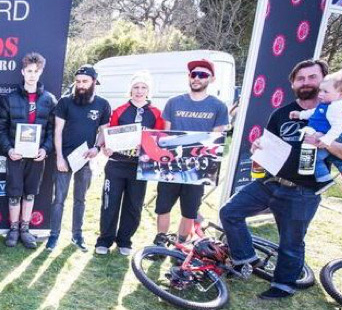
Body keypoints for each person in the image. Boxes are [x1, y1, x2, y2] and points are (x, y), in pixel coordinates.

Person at [220, 59, 342, 299]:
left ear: (324, 80)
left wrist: (325, 142)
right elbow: (268, 144)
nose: (306, 82)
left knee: (291, 242)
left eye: (312, 77)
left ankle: (283, 286)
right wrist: (258, 145)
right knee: (230, 212)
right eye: (300, 78)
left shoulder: (341, 112)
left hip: (303, 191)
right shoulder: (281, 113)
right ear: (293, 84)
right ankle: (247, 259)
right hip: (270, 182)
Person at [154, 59, 229, 246]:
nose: (197, 78)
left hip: (198, 166)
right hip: (172, 164)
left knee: (189, 210)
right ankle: (160, 241)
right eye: (193, 74)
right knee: (163, 206)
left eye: (202, 75)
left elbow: (216, 139)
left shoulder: (219, 107)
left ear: (211, 79)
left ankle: (181, 243)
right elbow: (166, 134)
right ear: (189, 77)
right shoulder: (173, 102)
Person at [96, 71, 164, 255]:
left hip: (140, 166)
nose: (139, 91)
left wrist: (149, 146)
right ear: (130, 89)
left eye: (143, 87)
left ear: (149, 90)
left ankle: (125, 240)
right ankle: (104, 240)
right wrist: (107, 147)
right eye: (136, 87)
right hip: (117, 164)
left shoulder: (156, 113)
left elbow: (158, 139)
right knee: (110, 203)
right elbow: (109, 134)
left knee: (134, 205)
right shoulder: (120, 110)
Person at [46, 65, 111, 252]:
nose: (81, 85)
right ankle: (54, 235)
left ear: (94, 82)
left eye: (85, 81)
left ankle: (77, 235)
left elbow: (104, 131)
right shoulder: (65, 102)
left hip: (85, 159)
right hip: (64, 159)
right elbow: (57, 131)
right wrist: (59, 157)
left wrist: (96, 148)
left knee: (80, 199)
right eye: (78, 82)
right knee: (58, 199)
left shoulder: (103, 104)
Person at [0, 52, 56, 249]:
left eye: (35, 71)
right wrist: (9, 149)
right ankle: (13, 229)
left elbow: (52, 131)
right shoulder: (9, 99)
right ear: (22, 72)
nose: (32, 75)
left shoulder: (49, 100)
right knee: (14, 193)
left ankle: (25, 229)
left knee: (30, 193)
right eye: (29, 71)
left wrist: (45, 149)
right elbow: (1, 130)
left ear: (41, 72)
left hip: (36, 157)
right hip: (16, 155)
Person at [290, 69, 342, 189]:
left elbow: (338, 126)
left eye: (325, 91)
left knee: (313, 157)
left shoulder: (336, 108)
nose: (320, 94)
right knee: (334, 156)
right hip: (326, 136)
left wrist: (327, 140)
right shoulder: (327, 104)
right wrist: (300, 114)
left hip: (333, 137)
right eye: (320, 90)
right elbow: (314, 112)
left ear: (341, 94)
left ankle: (324, 180)